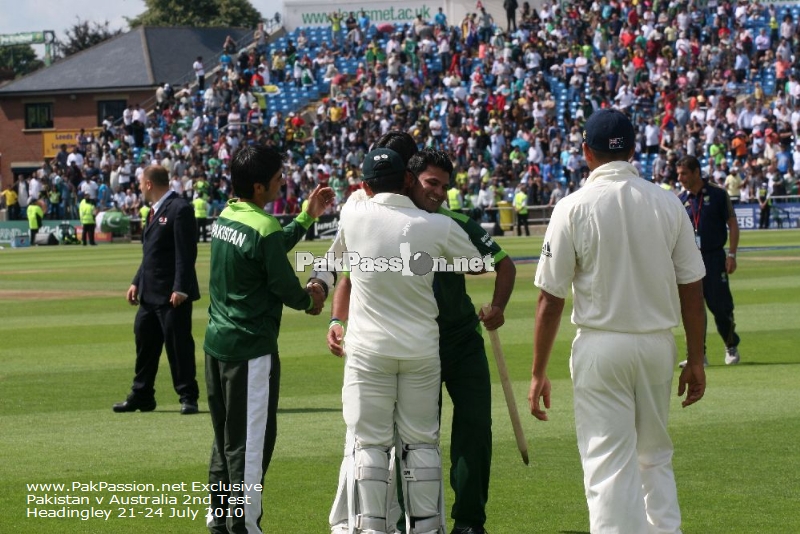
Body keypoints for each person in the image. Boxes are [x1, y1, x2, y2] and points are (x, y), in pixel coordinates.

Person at [527, 109, 707, 534]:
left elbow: (550, 298)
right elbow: (693, 289)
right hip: (656, 345)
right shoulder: (667, 202)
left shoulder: (572, 206)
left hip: (601, 345)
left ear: (586, 152)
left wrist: (538, 371)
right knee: (654, 455)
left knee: (608, 463)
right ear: (632, 151)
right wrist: (696, 359)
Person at [327, 142, 516, 534]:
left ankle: (468, 522)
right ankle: (396, 521)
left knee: (473, 428)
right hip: (421, 344)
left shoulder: (451, 222)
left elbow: (504, 266)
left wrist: (497, 308)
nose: (438, 192)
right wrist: (337, 319)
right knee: (406, 441)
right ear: (409, 180)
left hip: (459, 340)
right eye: (432, 182)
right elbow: (347, 276)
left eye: (444, 186)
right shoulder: (394, 218)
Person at [203, 145, 331, 534]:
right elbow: (283, 285)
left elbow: (266, 250)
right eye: (278, 179)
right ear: (260, 187)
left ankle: (219, 515)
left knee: (225, 437)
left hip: (216, 344)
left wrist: (307, 217)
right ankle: (242, 523)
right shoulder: (264, 226)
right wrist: (312, 299)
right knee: (251, 444)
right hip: (250, 351)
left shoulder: (227, 214)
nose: (283, 183)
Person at [113, 165, 200, 415]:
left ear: (149, 184)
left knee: (178, 345)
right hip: (150, 294)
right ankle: (142, 395)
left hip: (172, 295)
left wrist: (181, 288)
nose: (139, 186)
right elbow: (151, 253)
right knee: (145, 342)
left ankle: (188, 396)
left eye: (141, 182)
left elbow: (186, 252)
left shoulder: (180, 208)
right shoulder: (153, 211)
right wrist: (136, 281)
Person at [676, 156, 742, 366]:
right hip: (689, 260)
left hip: (714, 258)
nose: (680, 178)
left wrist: (731, 255)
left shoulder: (719, 194)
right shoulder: (680, 200)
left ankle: (731, 346)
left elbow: (732, 223)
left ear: (696, 173)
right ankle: (697, 355)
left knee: (721, 307)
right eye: (679, 174)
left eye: (684, 173)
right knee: (691, 309)